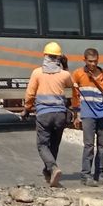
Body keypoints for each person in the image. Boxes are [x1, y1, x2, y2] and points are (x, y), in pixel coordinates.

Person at [22, 41, 74, 187]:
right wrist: (65, 66)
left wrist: (27, 109)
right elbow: (71, 84)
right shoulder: (64, 74)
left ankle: (53, 167)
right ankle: (49, 171)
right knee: (54, 144)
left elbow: (30, 94)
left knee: (42, 145)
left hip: (44, 114)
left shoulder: (37, 72)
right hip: (60, 115)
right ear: (59, 58)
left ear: (45, 55)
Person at [71, 48, 103, 186]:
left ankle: (99, 174)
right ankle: (86, 175)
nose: (93, 64)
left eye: (95, 61)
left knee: (102, 146)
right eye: (90, 61)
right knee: (89, 146)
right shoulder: (78, 74)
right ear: (84, 60)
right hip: (87, 115)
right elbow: (75, 96)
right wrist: (76, 115)